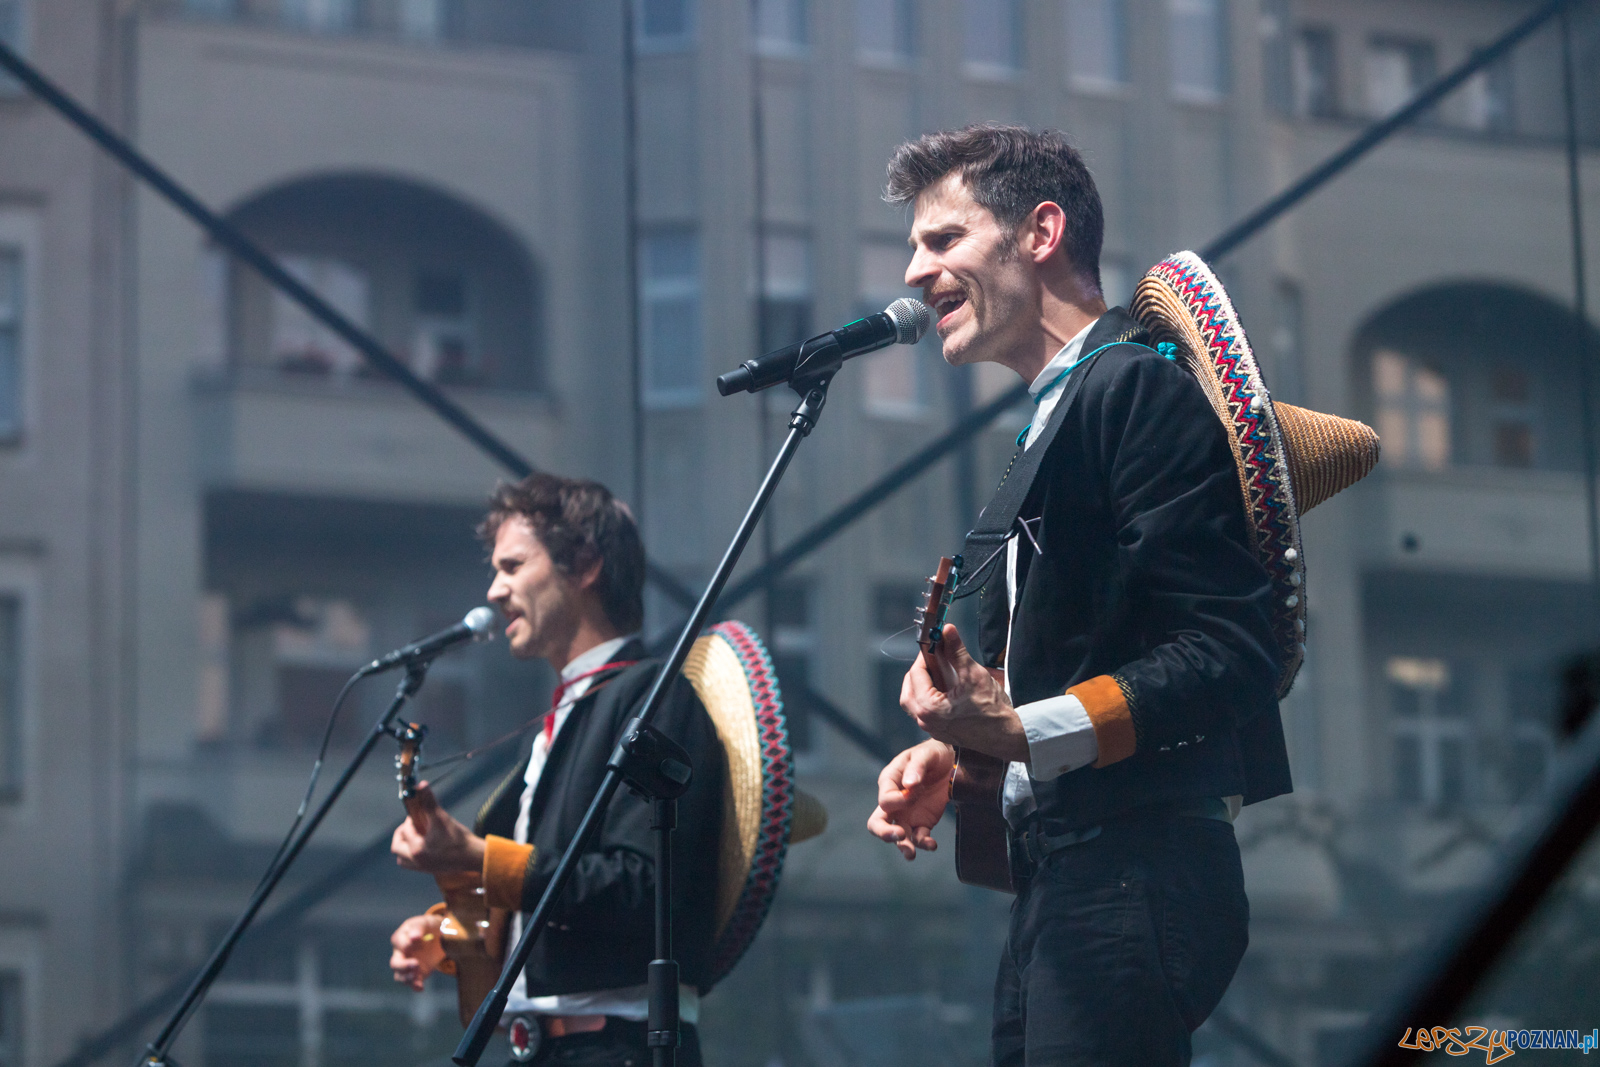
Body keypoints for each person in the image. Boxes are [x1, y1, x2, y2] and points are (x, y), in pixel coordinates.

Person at [866, 124, 1292, 1065]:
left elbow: (1229, 652)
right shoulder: (1061, 418)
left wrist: (1018, 733)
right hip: (1073, 879)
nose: (914, 271)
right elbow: (1071, 667)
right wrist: (969, 754)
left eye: (941, 240)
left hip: (1134, 873)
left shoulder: (1134, 390)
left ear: (1041, 231)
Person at [388, 472, 724, 1067]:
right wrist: (450, 934)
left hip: (618, 1047)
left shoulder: (655, 698)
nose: (494, 591)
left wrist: (476, 858)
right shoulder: (566, 717)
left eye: (513, 567)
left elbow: (640, 888)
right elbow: (554, 893)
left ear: (586, 565)